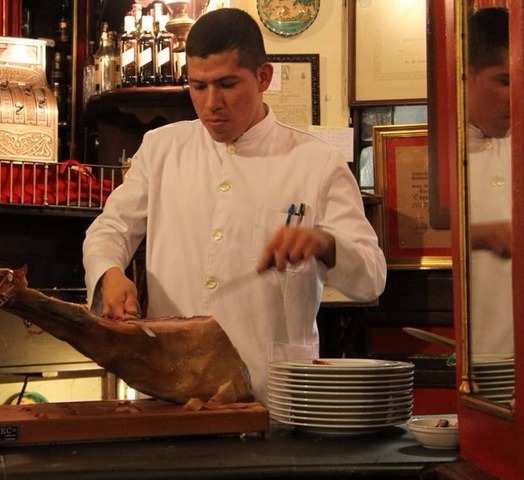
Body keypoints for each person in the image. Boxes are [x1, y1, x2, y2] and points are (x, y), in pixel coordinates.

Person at [82, 8, 386, 402]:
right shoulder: (161, 150)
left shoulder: (316, 162)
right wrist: (109, 274)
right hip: (171, 388)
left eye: (226, 84)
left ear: (263, 77)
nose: (211, 103)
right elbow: (110, 230)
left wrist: (326, 245)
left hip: (270, 392)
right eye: (198, 86)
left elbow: (372, 278)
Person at [466, 7, 513, 362]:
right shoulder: (438, 160)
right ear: (465, 76)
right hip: (476, 363)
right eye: (504, 81)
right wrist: (479, 236)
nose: (516, 96)